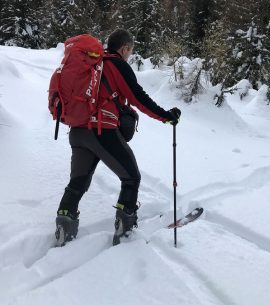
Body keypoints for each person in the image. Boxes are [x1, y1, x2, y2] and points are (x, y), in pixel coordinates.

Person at [55, 29, 181, 246]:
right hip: (101, 131)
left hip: (77, 131)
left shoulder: (92, 64)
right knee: (131, 178)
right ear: (124, 48)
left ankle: (63, 229)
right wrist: (166, 117)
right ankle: (125, 234)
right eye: (130, 51)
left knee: (78, 182)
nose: (129, 55)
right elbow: (139, 97)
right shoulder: (117, 64)